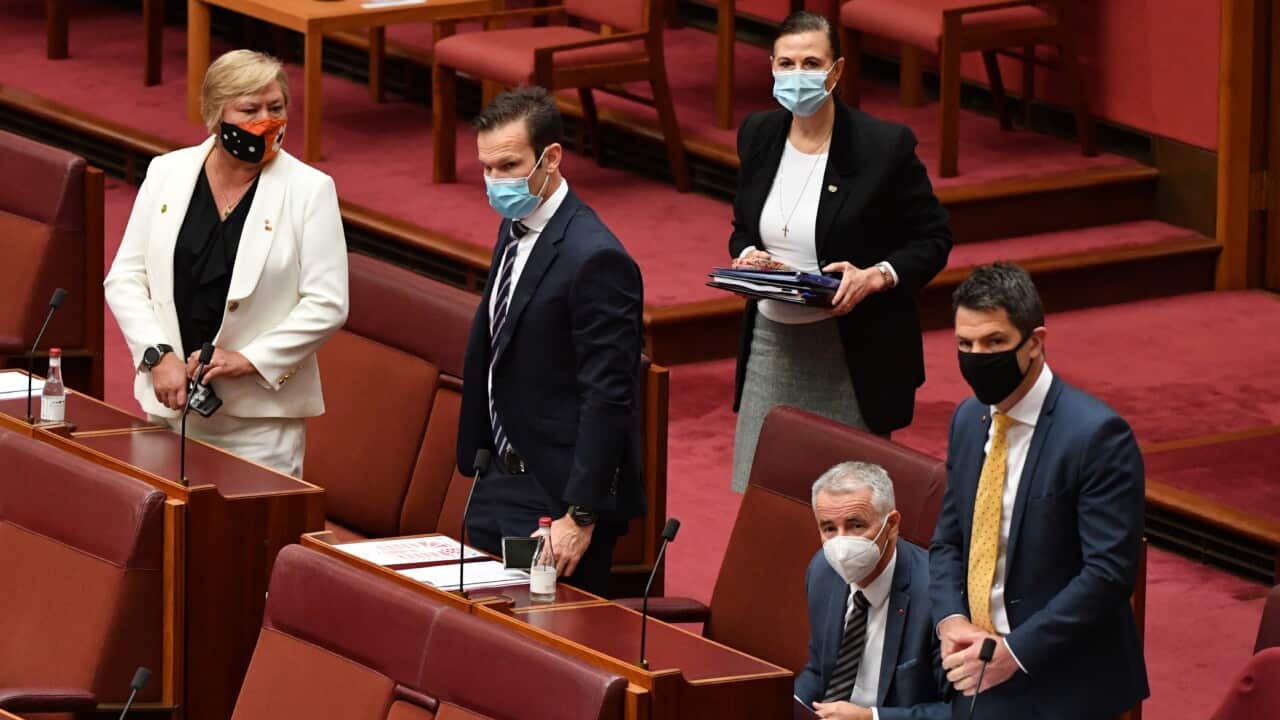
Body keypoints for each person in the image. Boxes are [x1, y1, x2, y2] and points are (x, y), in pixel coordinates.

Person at [728, 11, 952, 493]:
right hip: (772, 343)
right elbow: (743, 227)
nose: (797, 75)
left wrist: (876, 276)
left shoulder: (882, 147)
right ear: (770, 67)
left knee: (849, 504)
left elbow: (933, 239)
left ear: (837, 71)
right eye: (785, 63)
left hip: (852, 353)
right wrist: (749, 255)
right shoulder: (759, 135)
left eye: (811, 62)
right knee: (765, 501)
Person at [104, 49, 349, 478]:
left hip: (259, 425)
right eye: (249, 109)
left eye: (276, 108)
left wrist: (250, 359)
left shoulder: (310, 190)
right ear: (216, 116)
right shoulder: (168, 173)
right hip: (170, 408)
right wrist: (157, 356)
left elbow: (327, 303)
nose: (266, 121)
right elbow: (126, 277)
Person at [929, 263, 1148, 719]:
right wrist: (951, 620)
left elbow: (1108, 573)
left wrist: (1014, 653)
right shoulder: (969, 420)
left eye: (994, 343)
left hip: (1061, 679)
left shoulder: (1096, 436)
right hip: (974, 665)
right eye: (965, 345)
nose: (977, 357)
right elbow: (950, 541)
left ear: (1035, 342)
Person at [455, 87, 646, 596]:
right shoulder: (516, 227)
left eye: (509, 165)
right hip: (498, 480)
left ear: (552, 157)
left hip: (554, 500)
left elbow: (608, 394)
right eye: (486, 168)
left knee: (543, 651)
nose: (496, 181)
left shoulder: (596, 258)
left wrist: (579, 513)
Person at [797, 462, 950, 720]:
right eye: (829, 528)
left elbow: (963, 711)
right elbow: (818, 671)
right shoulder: (822, 572)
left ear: (891, 525)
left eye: (856, 525)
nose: (841, 543)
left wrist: (872, 718)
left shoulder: (937, 594)